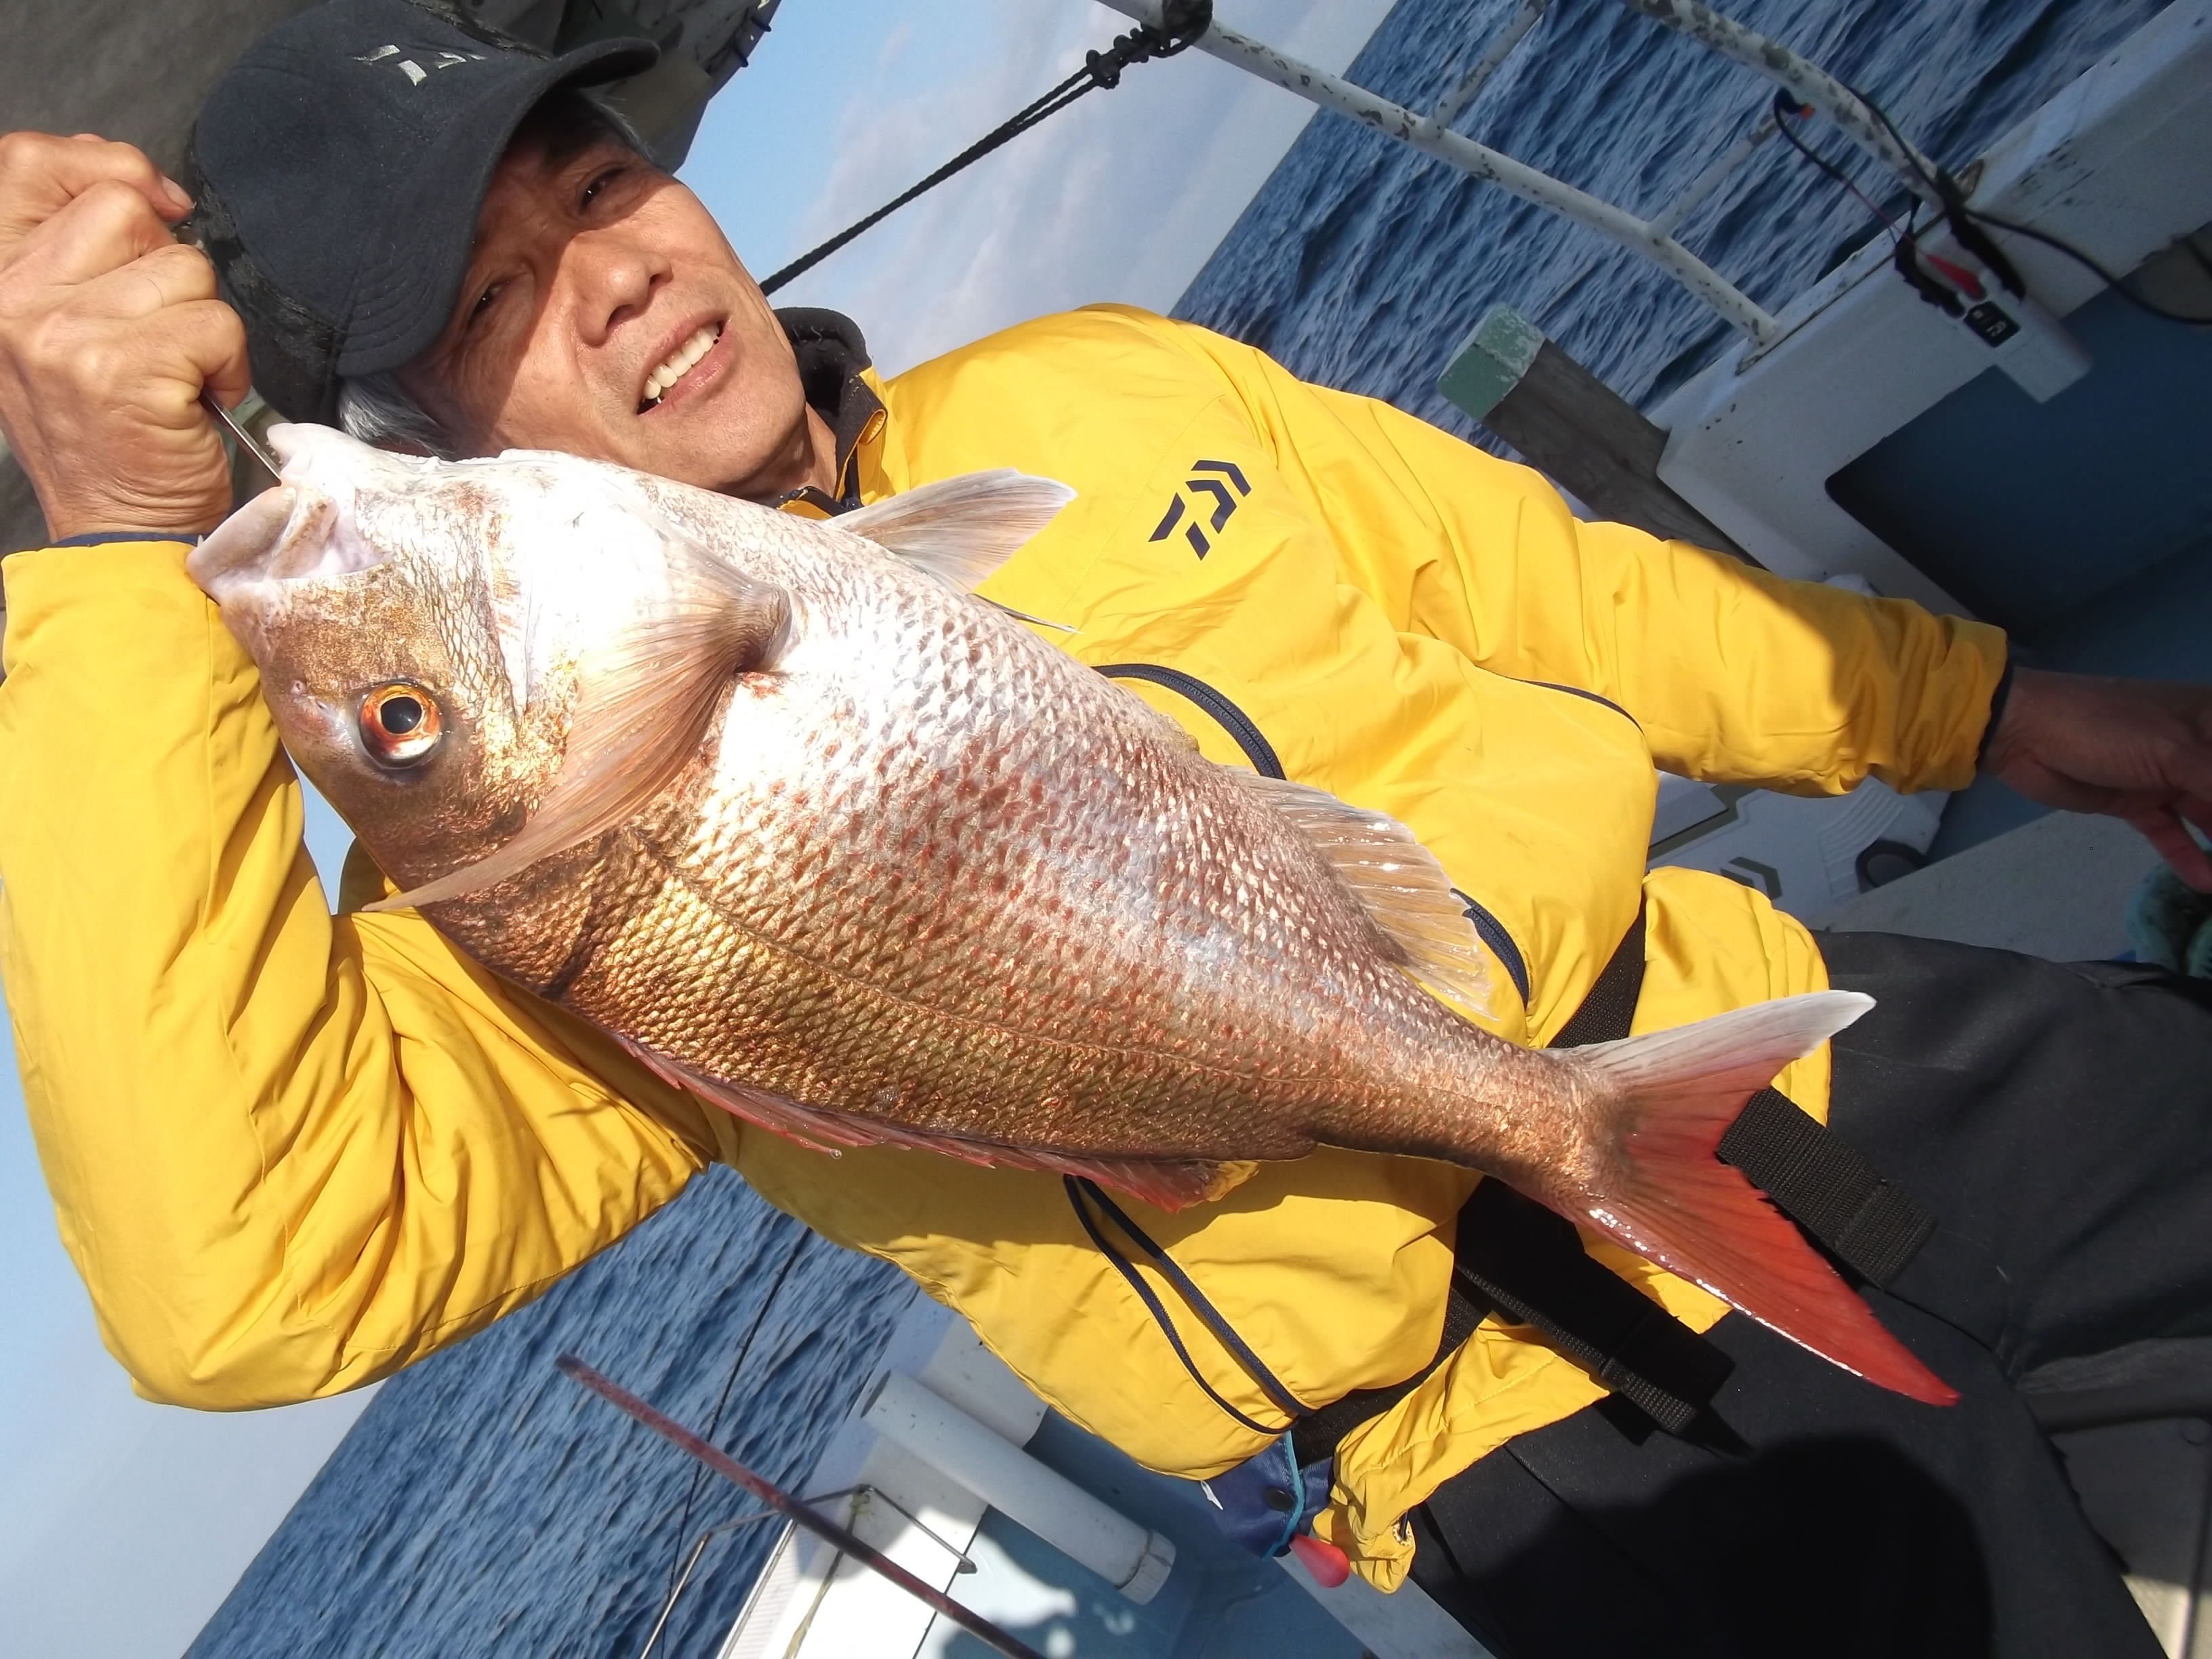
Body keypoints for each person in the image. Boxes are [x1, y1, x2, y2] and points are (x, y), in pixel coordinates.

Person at [3, 3, 2209, 1652]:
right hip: (1549, 1441)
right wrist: (119, 557)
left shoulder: (1092, 390)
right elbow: (247, 1289)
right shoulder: (524, 886)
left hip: (1821, 1045)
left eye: (600, 188)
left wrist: (2003, 711)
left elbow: (1559, 597)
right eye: (490, 302)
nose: (619, 276)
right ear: (421, 442)